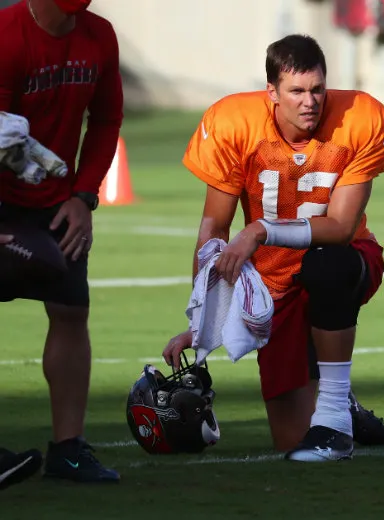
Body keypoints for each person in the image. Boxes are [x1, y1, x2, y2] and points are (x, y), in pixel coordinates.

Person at [163, 33, 384, 462]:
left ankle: (334, 411)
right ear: (271, 92)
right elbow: (213, 229)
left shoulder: (359, 117)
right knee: (290, 442)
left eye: (317, 89)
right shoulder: (235, 123)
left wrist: (260, 230)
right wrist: (203, 320)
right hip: (273, 285)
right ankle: (342, 406)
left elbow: (342, 227)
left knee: (326, 266)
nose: (310, 102)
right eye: (297, 91)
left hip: (347, 262)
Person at [0, 0, 123, 482]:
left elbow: (107, 120)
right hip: (4, 198)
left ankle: (69, 449)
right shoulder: (8, 36)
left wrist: (84, 197)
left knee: (72, 311)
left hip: (56, 199)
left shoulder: (100, 36)